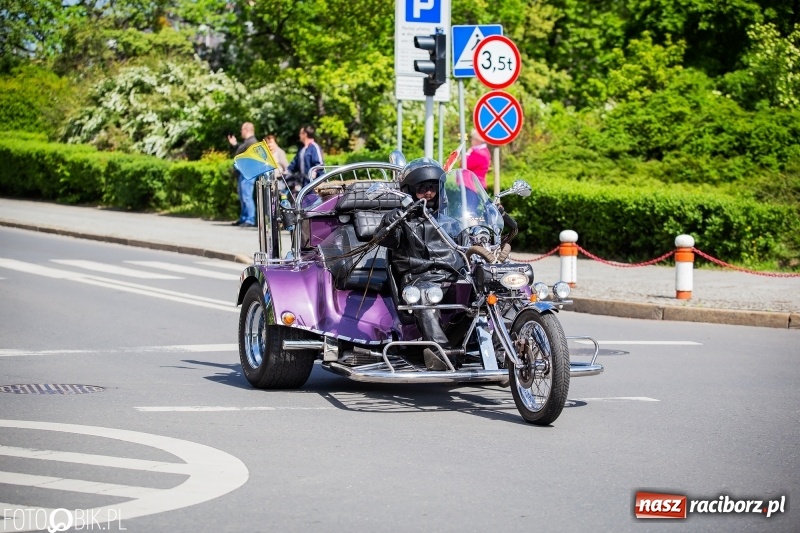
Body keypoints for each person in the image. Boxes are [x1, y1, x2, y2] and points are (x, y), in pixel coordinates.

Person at [375, 158, 467, 371]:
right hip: (419, 279)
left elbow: (469, 249)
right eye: (422, 188)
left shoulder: (451, 222)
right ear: (409, 191)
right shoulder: (400, 221)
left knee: (499, 286)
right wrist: (390, 223)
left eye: (433, 188)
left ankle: (505, 349)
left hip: (454, 277)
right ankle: (440, 355)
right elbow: (383, 240)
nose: (428, 193)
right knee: (426, 295)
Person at [228, 122, 258, 227]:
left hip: (248, 174)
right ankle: (244, 218)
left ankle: (250, 219)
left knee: (246, 196)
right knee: (243, 196)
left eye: (242, 129)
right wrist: (235, 145)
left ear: (247, 130)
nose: (241, 132)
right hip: (244, 173)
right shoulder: (247, 142)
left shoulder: (252, 142)